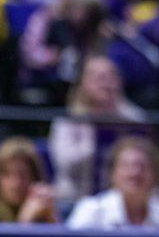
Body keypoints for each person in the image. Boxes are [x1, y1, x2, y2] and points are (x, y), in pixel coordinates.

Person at [49, 55, 148, 204]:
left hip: (124, 204)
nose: (105, 83)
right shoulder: (68, 120)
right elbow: (66, 165)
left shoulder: (134, 120)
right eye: (98, 77)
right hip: (75, 200)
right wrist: (92, 128)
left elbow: (149, 164)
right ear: (83, 83)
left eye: (111, 76)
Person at [66, 137, 159, 231]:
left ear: (156, 175)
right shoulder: (91, 211)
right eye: (126, 166)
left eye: (142, 167)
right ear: (113, 174)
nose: (135, 173)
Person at [0, 137, 59, 224]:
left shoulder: (41, 212)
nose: (15, 184)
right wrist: (25, 221)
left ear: (34, 177)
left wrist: (51, 217)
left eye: (23, 175)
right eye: (7, 174)